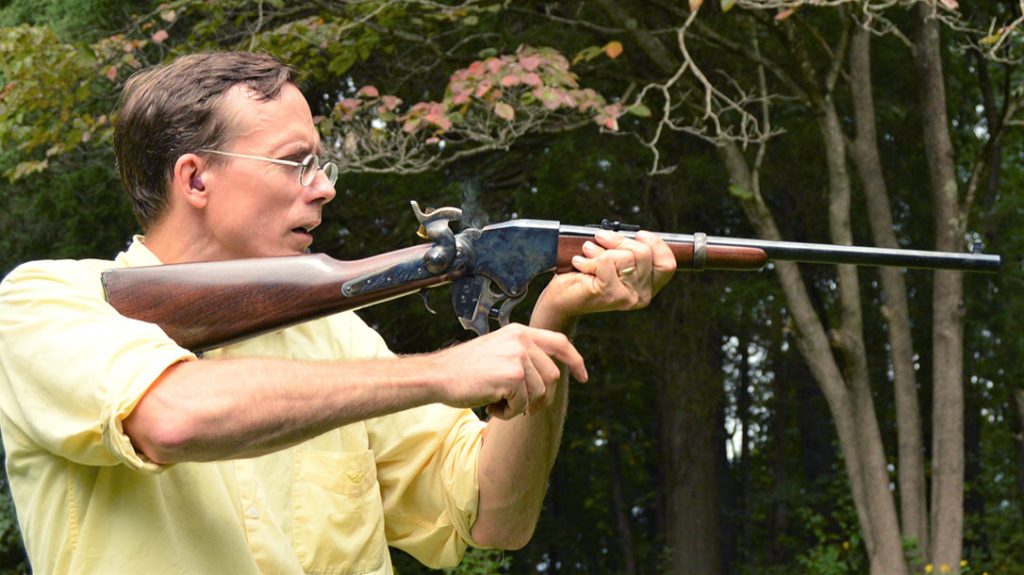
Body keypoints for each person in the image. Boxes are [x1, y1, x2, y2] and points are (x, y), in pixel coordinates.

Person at [0, 51, 675, 574]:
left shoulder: (336, 334)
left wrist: (551, 320)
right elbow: (171, 415)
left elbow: (495, 515)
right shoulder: (50, 303)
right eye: (297, 163)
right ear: (195, 178)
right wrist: (439, 374)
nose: (324, 188)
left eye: (320, 164)